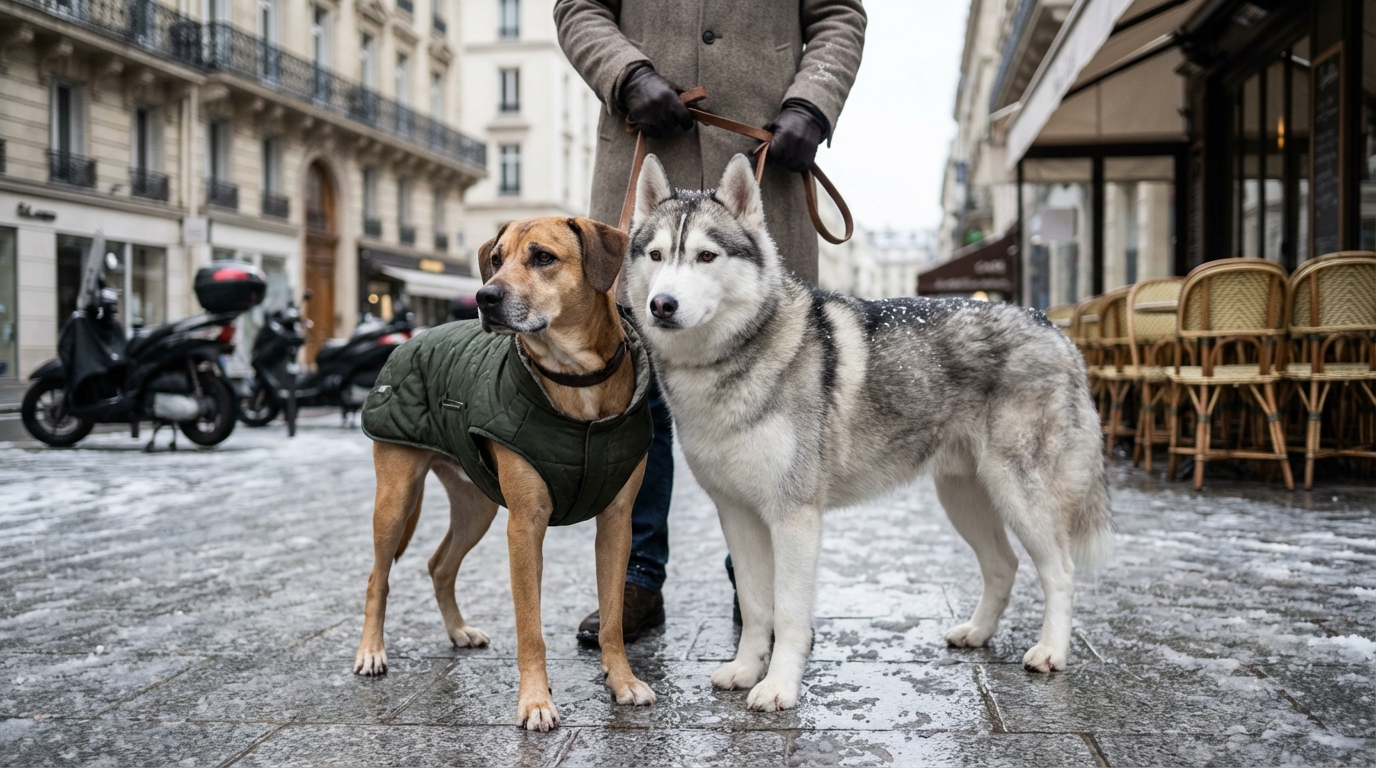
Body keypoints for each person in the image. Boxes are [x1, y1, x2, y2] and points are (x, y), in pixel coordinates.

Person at [555, 0, 867, 643]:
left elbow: (839, 14)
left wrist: (812, 103)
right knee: (633, 396)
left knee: (773, 391)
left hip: (762, 168)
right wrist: (627, 74)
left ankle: (754, 582)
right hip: (644, 157)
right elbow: (578, 7)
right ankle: (636, 578)